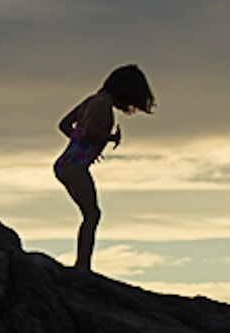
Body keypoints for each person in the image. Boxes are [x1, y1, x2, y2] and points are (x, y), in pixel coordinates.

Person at [55, 63, 155, 273]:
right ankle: (83, 266)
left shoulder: (91, 101)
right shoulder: (102, 105)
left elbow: (65, 125)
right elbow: (90, 131)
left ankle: (83, 265)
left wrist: (81, 147)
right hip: (75, 166)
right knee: (92, 215)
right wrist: (110, 137)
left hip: (67, 163)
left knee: (90, 214)